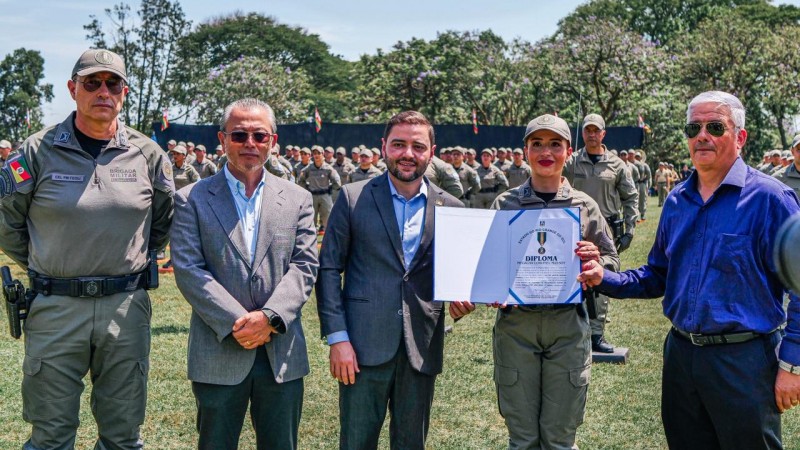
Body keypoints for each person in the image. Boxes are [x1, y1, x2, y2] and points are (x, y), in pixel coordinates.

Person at [578, 91, 800, 450]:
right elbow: (658, 275)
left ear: (740, 137)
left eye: (715, 126)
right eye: (693, 127)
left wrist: (793, 363)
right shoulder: (678, 200)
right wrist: (607, 278)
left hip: (744, 362)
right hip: (682, 357)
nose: (702, 136)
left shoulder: (771, 199)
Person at [0, 48, 173, 450]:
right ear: (72, 89)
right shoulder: (35, 151)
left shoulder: (148, 155)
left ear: (124, 92)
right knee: (51, 435)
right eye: (91, 83)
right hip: (55, 308)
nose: (103, 92)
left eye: (113, 83)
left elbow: (161, 223)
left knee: (123, 436)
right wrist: (51, 261)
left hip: (125, 310)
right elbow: (7, 222)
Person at [464, 113, 619, 449]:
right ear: (525, 150)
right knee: (522, 439)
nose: (546, 152)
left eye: (555, 144)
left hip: (567, 327)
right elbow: (488, 264)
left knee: (560, 438)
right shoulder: (506, 205)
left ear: (568, 150)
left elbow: (611, 262)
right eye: (537, 144)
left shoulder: (584, 206)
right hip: (516, 328)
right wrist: (491, 288)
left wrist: (596, 261)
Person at [170, 98, 318, 449]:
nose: (249, 144)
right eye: (239, 135)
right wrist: (241, 322)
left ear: (273, 141)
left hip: (281, 351)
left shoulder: (298, 198)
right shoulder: (192, 199)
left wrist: (269, 318)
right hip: (219, 350)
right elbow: (189, 269)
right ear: (222, 140)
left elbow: (305, 265)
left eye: (259, 135)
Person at [316, 110, 466, 449]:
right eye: (398, 144)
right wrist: (338, 339)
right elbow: (328, 270)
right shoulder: (353, 198)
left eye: (417, 146)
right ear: (383, 146)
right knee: (356, 442)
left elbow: (457, 275)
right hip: (361, 347)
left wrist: (463, 297)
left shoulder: (452, 206)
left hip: (422, 347)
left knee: (411, 444)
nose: (408, 154)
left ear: (432, 151)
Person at [563, 113, 638, 353]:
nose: (592, 134)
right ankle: (572, 333)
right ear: (583, 133)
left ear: (603, 134)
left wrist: (630, 229)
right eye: (588, 130)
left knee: (602, 278)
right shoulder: (572, 161)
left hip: (604, 231)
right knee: (573, 279)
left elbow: (630, 197)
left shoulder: (617, 164)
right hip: (573, 229)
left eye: (596, 130)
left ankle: (596, 334)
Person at [297, 146, 341, 233]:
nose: (316, 155)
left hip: (325, 195)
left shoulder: (328, 168)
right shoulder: (308, 169)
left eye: (318, 153)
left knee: (327, 218)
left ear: (322, 154)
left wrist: (331, 189)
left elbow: (337, 182)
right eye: (314, 153)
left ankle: (328, 236)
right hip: (312, 195)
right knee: (311, 217)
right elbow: (301, 180)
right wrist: (306, 189)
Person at [634, 151, 651, 221]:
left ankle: (643, 214)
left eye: (638, 156)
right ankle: (636, 215)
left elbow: (649, 174)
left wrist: (645, 179)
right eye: (636, 156)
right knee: (635, 199)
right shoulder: (633, 164)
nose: (637, 158)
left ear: (641, 157)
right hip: (635, 183)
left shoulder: (644, 165)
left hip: (642, 183)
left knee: (643, 199)